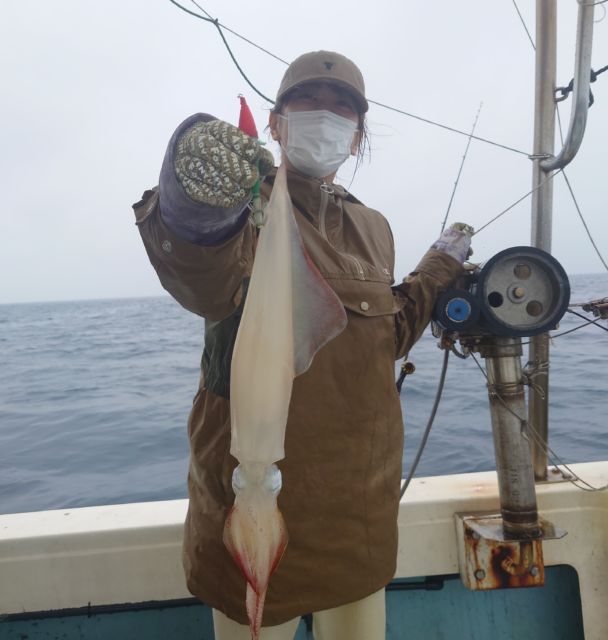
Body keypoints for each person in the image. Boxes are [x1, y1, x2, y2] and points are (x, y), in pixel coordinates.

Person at [133, 50, 472, 640]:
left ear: (357, 136)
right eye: (307, 101)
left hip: (359, 511)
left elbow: (382, 338)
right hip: (252, 501)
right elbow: (202, 275)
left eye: (342, 108)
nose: (325, 114)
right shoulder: (245, 201)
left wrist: (439, 266)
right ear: (275, 122)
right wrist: (196, 207)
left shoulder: (374, 228)